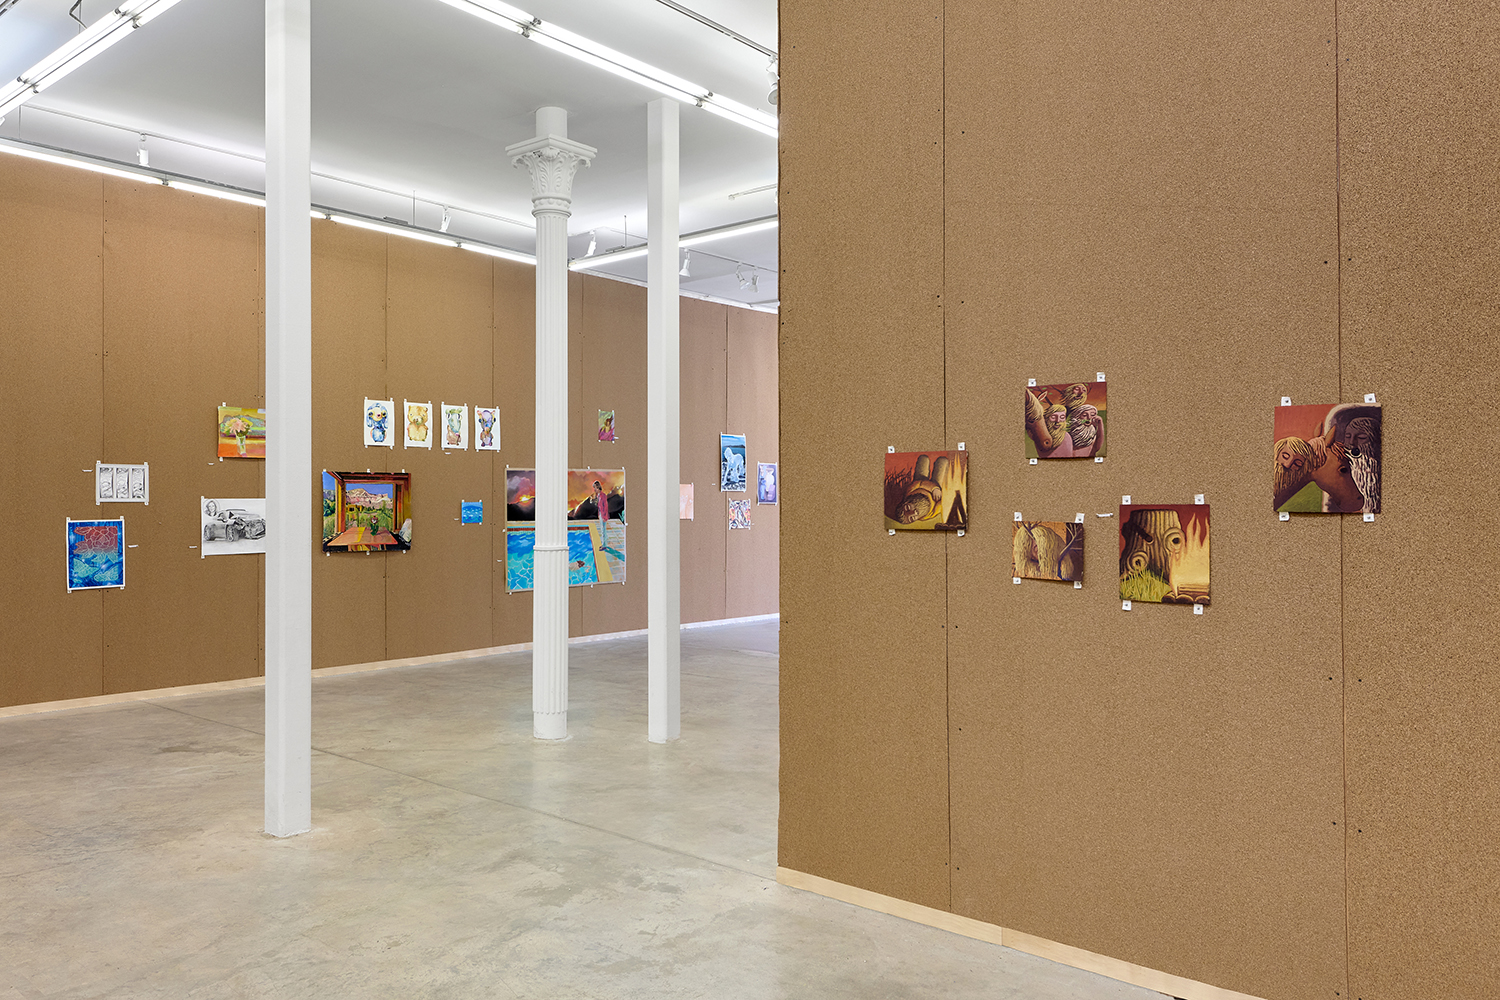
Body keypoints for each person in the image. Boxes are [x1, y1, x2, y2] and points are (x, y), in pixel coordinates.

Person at [591, 480, 608, 547]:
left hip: (603, 515)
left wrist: (604, 517)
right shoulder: (598, 495)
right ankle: (604, 544)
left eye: (595, 488)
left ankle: (604, 545)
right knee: (602, 530)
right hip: (601, 514)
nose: (594, 489)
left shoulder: (603, 495)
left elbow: (605, 507)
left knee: (603, 530)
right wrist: (599, 514)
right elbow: (599, 507)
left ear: (598, 487)